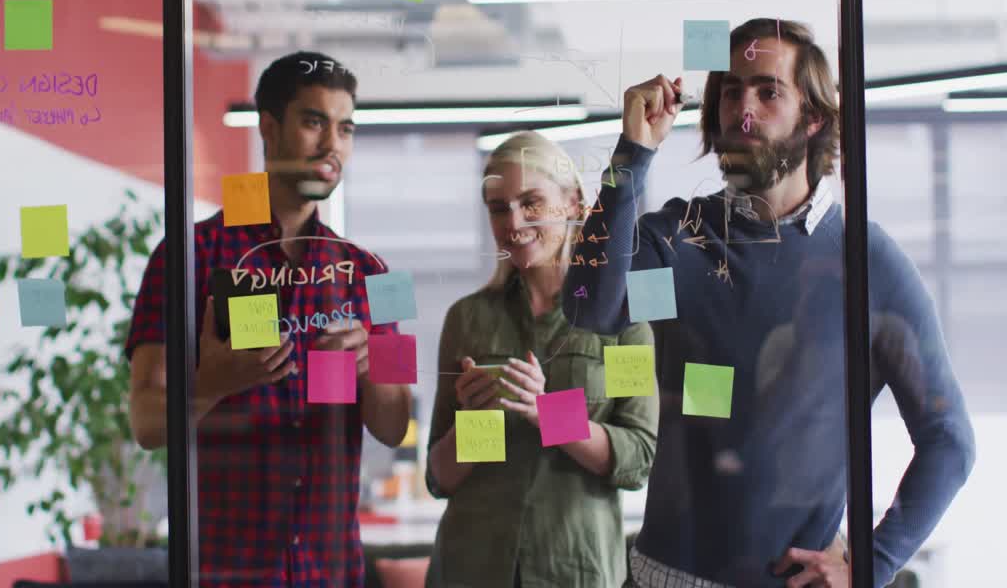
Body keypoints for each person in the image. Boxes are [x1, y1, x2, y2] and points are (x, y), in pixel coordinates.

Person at [565, 19, 976, 588]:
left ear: (814, 117)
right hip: (661, 577)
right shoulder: (681, 240)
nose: (743, 109)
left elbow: (948, 439)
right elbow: (590, 305)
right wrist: (632, 154)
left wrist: (871, 565)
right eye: (731, 91)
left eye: (768, 91)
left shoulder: (865, 263)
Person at [125, 51, 413, 588]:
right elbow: (145, 423)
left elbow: (395, 427)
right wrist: (211, 385)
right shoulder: (187, 256)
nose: (332, 145)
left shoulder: (375, 273)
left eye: (345, 129)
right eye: (314, 122)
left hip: (330, 572)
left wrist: (371, 365)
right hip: (225, 572)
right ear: (269, 128)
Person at [424, 131, 660, 588]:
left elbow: (637, 460)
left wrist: (549, 413)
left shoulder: (622, 323)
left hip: (572, 569)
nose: (513, 222)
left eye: (531, 202)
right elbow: (440, 478)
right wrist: (479, 421)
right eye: (498, 208)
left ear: (572, 203)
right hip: (471, 567)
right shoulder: (468, 319)